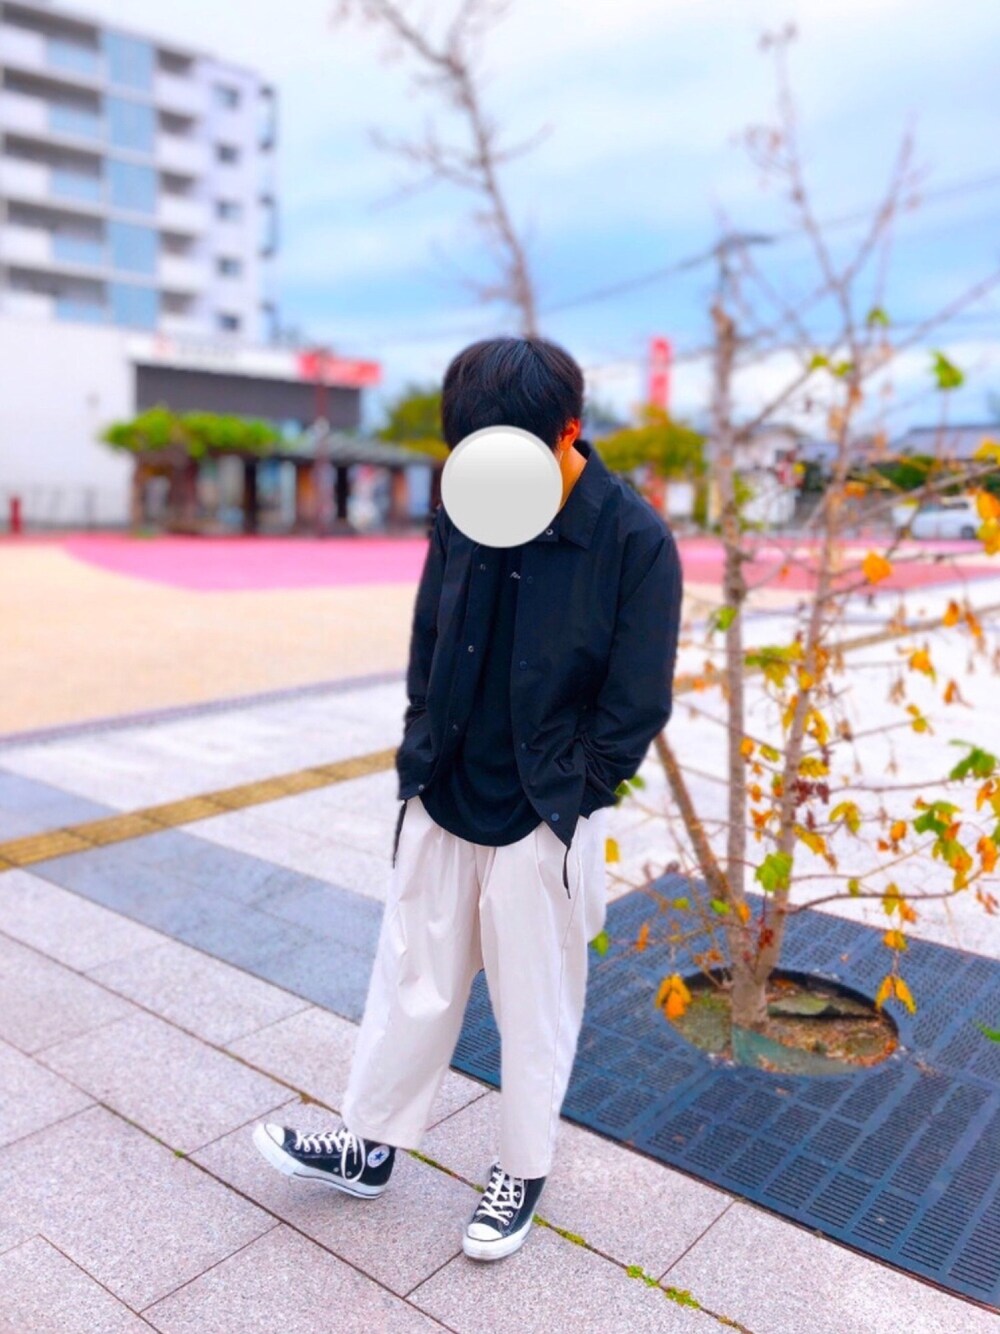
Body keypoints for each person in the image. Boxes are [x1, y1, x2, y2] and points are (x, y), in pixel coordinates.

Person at [253, 336, 684, 1262]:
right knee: (411, 978)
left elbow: (638, 699)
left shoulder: (633, 538)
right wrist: (420, 743)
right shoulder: (464, 505)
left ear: (568, 430)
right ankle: (368, 1146)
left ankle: (522, 1170)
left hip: (545, 807)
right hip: (444, 783)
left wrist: (580, 787)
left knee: (535, 1006)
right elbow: (429, 633)